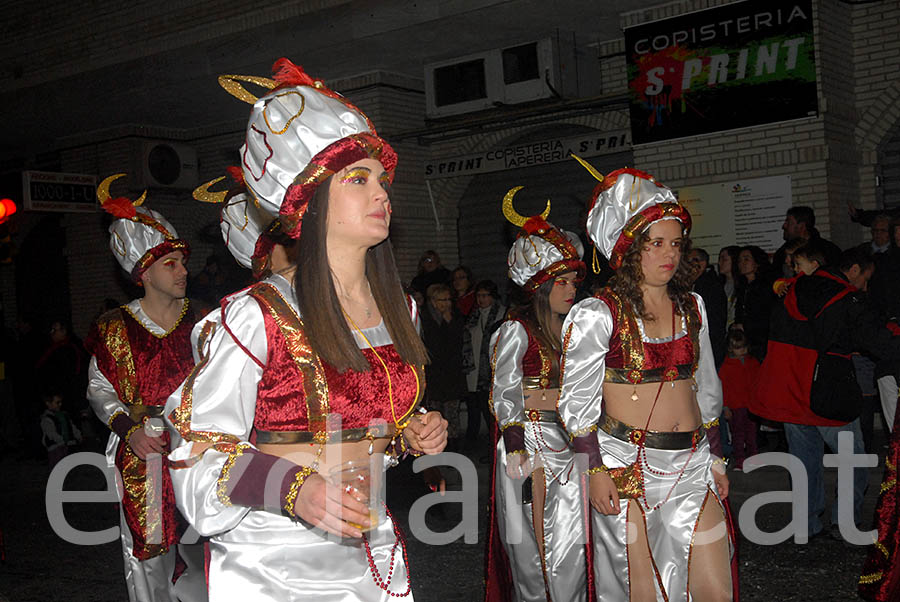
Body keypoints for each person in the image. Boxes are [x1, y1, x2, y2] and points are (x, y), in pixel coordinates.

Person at [164, 58, 447, 601]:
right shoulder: (256, 315)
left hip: (370, 544)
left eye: (382, 181)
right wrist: (294, 490)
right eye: (358, 180)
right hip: (274, 562)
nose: (381, 195)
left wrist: (408, 436)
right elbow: (198, 454)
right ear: (311, 202)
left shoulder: (399, 310)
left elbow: (364, 425)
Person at [558, 164, 734, 601]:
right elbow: (576, 404)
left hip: (693, 464)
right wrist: (594, 470)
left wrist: (715, 456)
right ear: (628, 249)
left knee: (715, 588)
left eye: (675, 244)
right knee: (643, 591)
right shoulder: (597, 314)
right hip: (626, 466)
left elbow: (706, 385)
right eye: (655, 244)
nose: (668, 255)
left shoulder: (693, 306)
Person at [85, 175, 205, 602]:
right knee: (149, 553)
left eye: (182, 261)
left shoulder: (204, 322)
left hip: (198, 452)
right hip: (144, 453)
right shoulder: (116, 327)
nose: (183, 271)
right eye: (170, 263)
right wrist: (128, 429)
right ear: (144, 273)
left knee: (203, 550)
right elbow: (100, 389)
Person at [753, 247, 900, 541]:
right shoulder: (846, 297)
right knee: (852, 458)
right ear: (854, 270)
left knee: (804, 460)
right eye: (865, 279)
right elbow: (875, 341)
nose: (864, 286)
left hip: (790, 389)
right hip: (826, 390)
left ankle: (807, 523)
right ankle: (845, 522)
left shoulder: (791, 289)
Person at [485, 188, 588, 602]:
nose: (571, 289)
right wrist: (514, 445)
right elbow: (505, 391)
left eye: (573, 281)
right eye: (561, 282)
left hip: (569, 444)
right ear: (541, 287)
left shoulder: (577, 332)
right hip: (526, 446)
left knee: (574, 546)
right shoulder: (516, 331)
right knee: (533, 550)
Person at [461, 279, 506, 447]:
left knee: (489, 412)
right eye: (478, 296)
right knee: (474, 407)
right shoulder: (474, 315)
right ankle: (472, 443)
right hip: (474, 369)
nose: (481, 299)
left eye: (485, 295)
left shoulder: (502, 313)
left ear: (493, 296)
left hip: (491, 369)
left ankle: (494, 443)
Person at [421, 282, 467, 443]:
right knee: (435, 409)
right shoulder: (425, 318)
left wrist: (450, 323)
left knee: (452, 411)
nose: (447, 304)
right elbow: (433, 344)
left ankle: (454, 441)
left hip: (452, 372)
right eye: (442, 300)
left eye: (449, 300)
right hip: (434, 372)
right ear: (433, 301)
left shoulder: (455, 317)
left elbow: (458, 343)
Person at [718, 329, 759, 471]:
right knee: (738, 435)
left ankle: (753, 459)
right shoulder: (726, 367)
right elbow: (723, 389)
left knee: (752, 434)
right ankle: (740, 460)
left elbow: (758, 383)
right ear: (731, 349)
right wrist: (725, 407)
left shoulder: (752, 363)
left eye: (743, 347)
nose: (741, 351)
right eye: (737, 348)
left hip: (751, 405)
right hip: (735, 407)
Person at [772, 206, 842, 275]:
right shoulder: (781, 253)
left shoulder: (829, 250)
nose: (784, 226)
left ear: (801, 226)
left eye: (788, 222)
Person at [688, 247, 727, 367]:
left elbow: (712, 319)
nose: (689, 266)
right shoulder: (691, 284)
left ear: (702, 263)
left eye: (692, 261)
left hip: (708, 344)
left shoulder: (710, 286)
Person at [40, 389, 82, 469]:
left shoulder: (64, 415)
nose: (60, 404)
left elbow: (71, 426)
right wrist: (61, 440)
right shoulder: (47, 419)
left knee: (69, 468)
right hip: (55, 448)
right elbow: (51, 433)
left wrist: (78, 435)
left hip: (68, 446)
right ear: (48, 403)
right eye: (57, 402)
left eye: (60, 402)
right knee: (57, 468)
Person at [717, 246, 740, 329]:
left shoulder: (742, 285)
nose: (720, 263)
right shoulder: (718, 285)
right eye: (719, 259)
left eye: (724, 259)